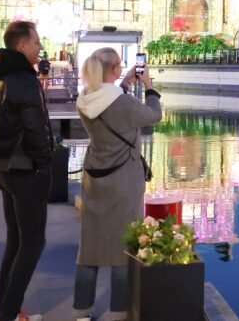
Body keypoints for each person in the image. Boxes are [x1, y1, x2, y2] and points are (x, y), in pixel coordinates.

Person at [73, 48, 161, 321]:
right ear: (112, 69)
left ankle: (82, 311)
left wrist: (124, 84)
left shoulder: (86, 98)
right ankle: (118, 311)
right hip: (122, 180)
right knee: (122, 247)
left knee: (89, 247)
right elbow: (152, 116)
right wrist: (149, 87)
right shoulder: (122, 104)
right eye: (120, 66)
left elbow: (108, 100)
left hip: (94, 178)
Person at [0, 20, 54, 321]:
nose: (40, 46)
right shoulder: (24, 80)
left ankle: (10, 311)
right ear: (22, 45)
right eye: (36, 41)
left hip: (5, 168)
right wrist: (45, 166)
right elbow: (35, 129)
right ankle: (7, 314)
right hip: (25, 170)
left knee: (16, 240)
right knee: (33, 243)